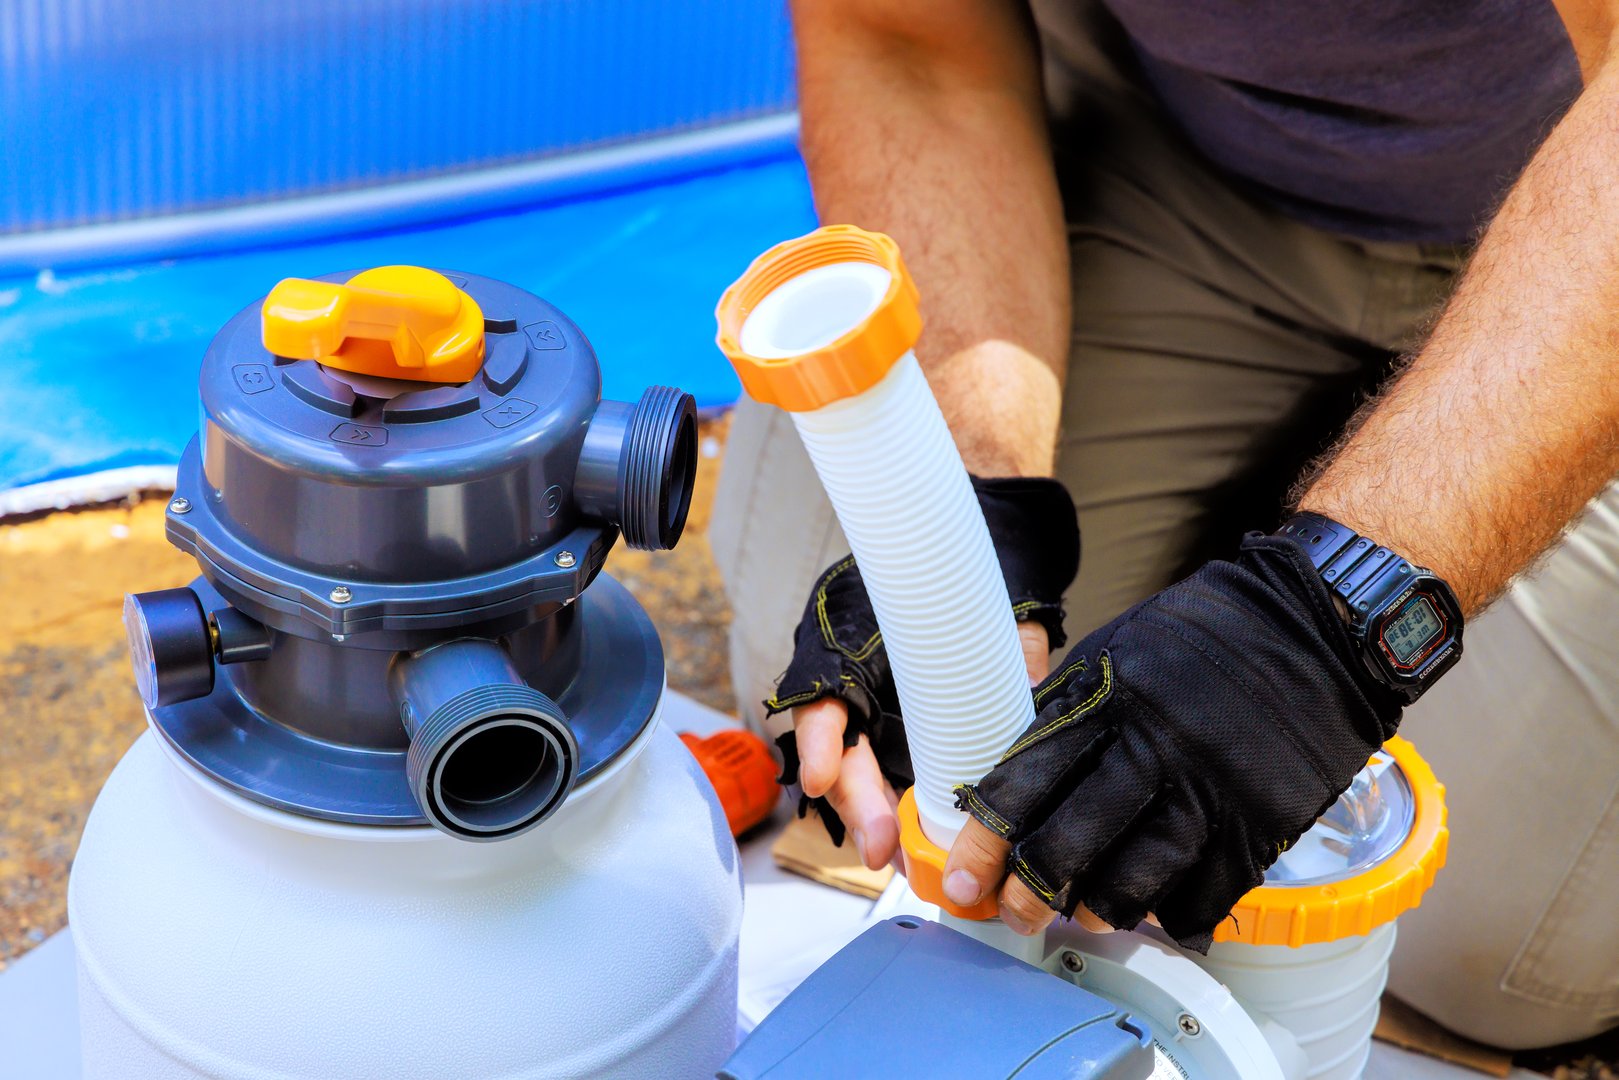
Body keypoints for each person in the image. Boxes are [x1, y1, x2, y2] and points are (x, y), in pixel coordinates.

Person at [711, 0, 1619, 1049]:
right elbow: (903, 35)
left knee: (1505, 947)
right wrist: (966, 505)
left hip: (1576, 201)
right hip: (1184, 151)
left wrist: (1324, 624)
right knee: (886, 742)